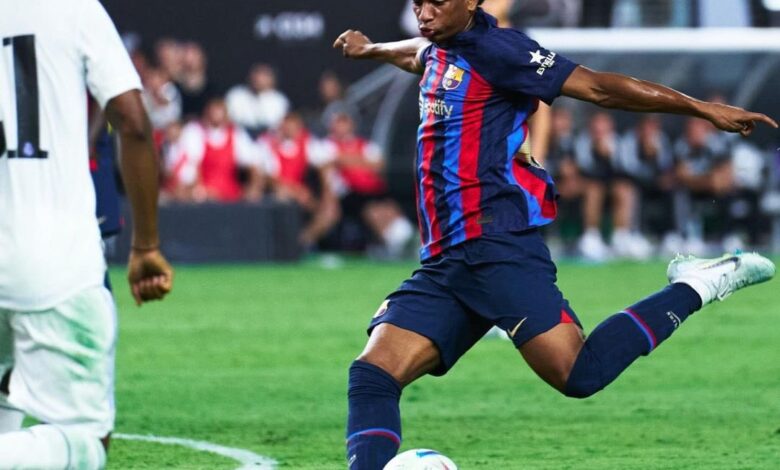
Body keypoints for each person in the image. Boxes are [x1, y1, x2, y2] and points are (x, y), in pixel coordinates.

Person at [333, 1, 777, 469]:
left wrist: (700, 108)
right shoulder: (440, 47)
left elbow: (599, 87)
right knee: (372, 374)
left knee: (580, 374)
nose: (424, 13)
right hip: (446, 260)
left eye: (437, 3)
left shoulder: (501, 51)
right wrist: (371, 49)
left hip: (497, 246)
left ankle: (695, 285)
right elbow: (415, 54)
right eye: (418, 3)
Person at [0, 0, 174, 468]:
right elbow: (131, 121)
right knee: (85, 442)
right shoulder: (72, 9)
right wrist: (146, 245)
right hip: (52, 260)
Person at [326, 112, 415, 257]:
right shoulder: (327, 145)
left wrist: (349, 161)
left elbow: (379, 165)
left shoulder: (364, 144)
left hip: (371, 189)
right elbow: (335, 160)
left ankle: (405, 239)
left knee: (390, 208)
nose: (342, 127)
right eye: (338, 123)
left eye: (345, 122)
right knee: (373, 212)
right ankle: (392, 246)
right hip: (350, 193)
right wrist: (362, 162)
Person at [178, 98, 266, 203]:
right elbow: (191, 165)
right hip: (204, 196)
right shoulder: (195, 132)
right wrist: (199, 189)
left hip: (231, 195)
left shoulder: (236, 133)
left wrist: (254, 187)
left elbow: (253, 163)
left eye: (219, 113)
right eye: (213, 113)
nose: (216, 117)